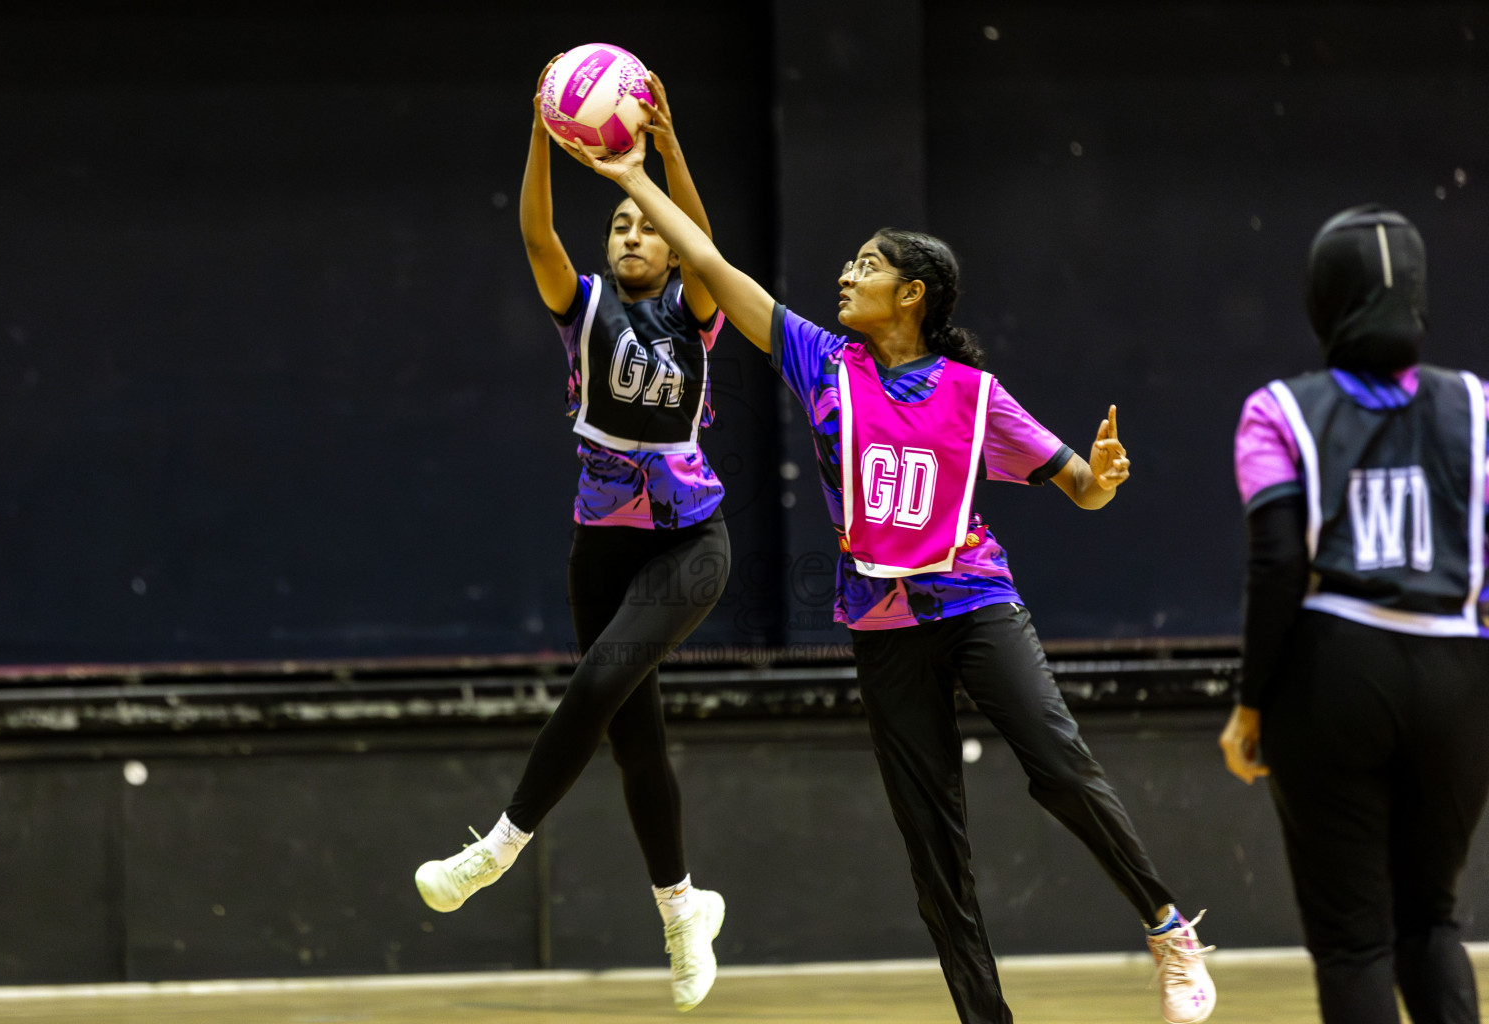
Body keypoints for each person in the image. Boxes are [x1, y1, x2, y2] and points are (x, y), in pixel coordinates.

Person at [558, 127, 1216, 1024]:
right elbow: (706, 261)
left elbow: (1078, 489)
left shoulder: (975, 394)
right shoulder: (821, 361)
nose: (845, 273)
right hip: (881, 627)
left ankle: (1169, 926)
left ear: (911, 294)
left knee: (1059, 766)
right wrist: (642, 173)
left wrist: (1098, 482)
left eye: (865, 266)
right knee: (933, 852)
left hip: (977, 604)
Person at [412, 67, 729, 1012]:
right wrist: (545, 137)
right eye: (622, 225)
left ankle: (498, 847)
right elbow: (536, 235)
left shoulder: (694, 311)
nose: (634, 234)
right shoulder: (584, 306)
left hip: (691, 540)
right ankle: (683, 908)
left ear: (670, 252)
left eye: (648, 228)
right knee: (635, 740)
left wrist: (665, 158)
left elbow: (707, 249)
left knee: (598, 679)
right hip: (602, 544)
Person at [1221, 205, 1489, 1024]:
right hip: (1458, 677)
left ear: (1321, 298)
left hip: (1333, 675)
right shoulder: (1478, 406)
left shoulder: (1278, 411)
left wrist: (1251, 701)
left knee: (1353, 942)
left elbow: (1276, 566)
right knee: (1430, 924)